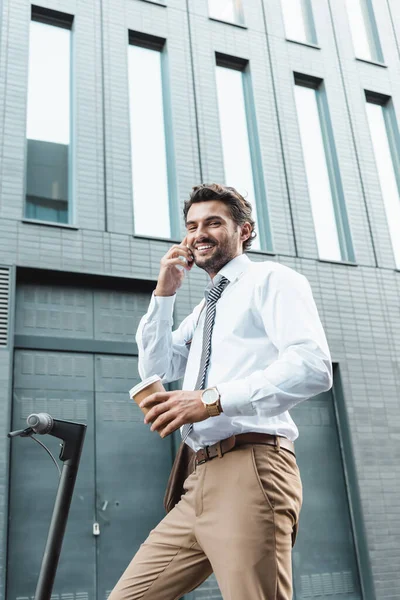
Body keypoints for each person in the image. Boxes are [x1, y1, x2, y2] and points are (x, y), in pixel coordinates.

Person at [109, 183, 332, 600]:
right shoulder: (205, 307)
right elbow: (157, 367)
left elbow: (313, 367)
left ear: (244, 230)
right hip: (197, 480)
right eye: (192, 226)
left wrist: (211, 400)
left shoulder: (272, 279)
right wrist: (164, 294)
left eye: (213, 222)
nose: (199, 234)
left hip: (251, 467)